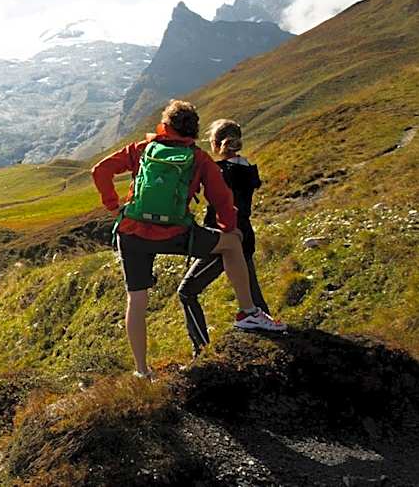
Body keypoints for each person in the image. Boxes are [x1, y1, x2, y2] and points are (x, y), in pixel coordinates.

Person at [92, 100, 285, 379]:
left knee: (136, 300)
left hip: (131, 233)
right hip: (175, 233)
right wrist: (229, 228)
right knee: (232, 244)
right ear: (193, 130)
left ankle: (142, 372)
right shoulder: (199, 158)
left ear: (165, 125)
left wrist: (113, 206)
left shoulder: (142, 148)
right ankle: (248, 313)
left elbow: (99, 171)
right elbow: (221, 199)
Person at [177, 119, 277, 358]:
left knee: (187, 292)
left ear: (215, 143)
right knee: (252, 299)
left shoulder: (219, 170)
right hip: (245, 238)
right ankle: (273, 343)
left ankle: (201, 352)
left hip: (221, 241)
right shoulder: (248, 168)